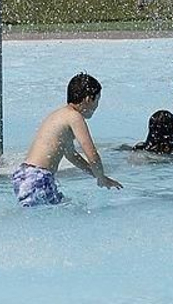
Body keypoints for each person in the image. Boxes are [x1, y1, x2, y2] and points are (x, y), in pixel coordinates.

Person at [11, 73, 122, 206]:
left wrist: (96, 175)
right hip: (38, 177)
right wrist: (101, 178)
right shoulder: (75, 117)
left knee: (62, 206)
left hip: (25, 174)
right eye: (97, 100)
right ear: (88, 99)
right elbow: (92, 155)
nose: (97, 106)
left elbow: (71, 155)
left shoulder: (60, 115)